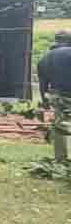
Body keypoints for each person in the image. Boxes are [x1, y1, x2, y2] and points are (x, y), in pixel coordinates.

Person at [38, 30, 71, 161]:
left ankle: (60, 159)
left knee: (60, 127)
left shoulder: (45, 58)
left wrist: (44, 101)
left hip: (59, 96)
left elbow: (43, 84)